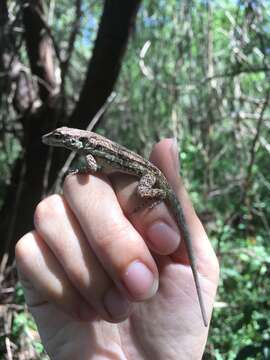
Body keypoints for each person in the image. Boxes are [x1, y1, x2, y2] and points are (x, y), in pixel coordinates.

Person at [15, 138, 219, 359]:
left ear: (73, 140)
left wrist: (80, 172)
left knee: (142, 191)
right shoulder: (89, 147)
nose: (54, 140)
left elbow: (92, 167)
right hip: (144, 172)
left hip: (148, 174)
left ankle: (158, 196)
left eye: (59, 137)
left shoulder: (89, 149)